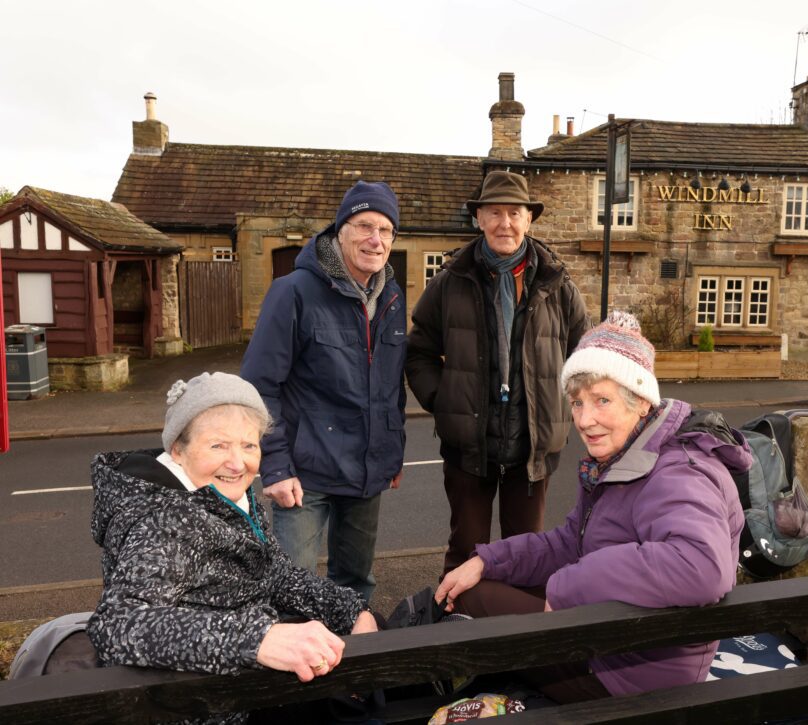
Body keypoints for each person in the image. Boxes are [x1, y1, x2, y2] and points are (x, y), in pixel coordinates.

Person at [434, 312, 749, 703]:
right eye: (577, 402)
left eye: (602, 400)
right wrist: (487, 560)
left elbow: (701, 566)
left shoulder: (677, 470)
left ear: (640, 402)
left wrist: (570, 587)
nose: (585, 419)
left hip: (631, 677)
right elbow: (569, 544)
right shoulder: (622, 457)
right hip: (615, 642)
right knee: (480, 583)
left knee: (471, 601)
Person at [87, 373, 377, 713]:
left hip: (245, 689)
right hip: (199, 706)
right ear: (178, 449)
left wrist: (350, 609)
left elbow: (274, 572)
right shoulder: (166, 520)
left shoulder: (225, 495)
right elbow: (118, 624)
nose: (238, 463)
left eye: (249, 445)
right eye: (218, 445)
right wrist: (257, 639)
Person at [406, 170, 589, 577]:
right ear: (480, 219)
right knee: (464, 553)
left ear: (529, 219)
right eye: (494, 213)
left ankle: (516, 638)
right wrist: (443, 399)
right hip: (468, 450)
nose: (504, 223)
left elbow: (584, 357)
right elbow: (418, 352)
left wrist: (566, 409)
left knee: (525, 557)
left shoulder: (557, 284)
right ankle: (460, 631)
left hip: (531, 451)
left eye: (514, 213)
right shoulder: (450, 280)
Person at [241, 181, 406, 603]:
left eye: (386, 230)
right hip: (304, 475)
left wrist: (392, 450)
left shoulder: (391, 295)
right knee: (290, 590)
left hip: (366, 471)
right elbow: (259, 386)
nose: (376, 239)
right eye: (365, 225)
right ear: (340, 231)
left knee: (354, 585)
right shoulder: (293, 292)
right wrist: (275, 466)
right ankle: (291, 667)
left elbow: (390, 383)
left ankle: (348, 663)